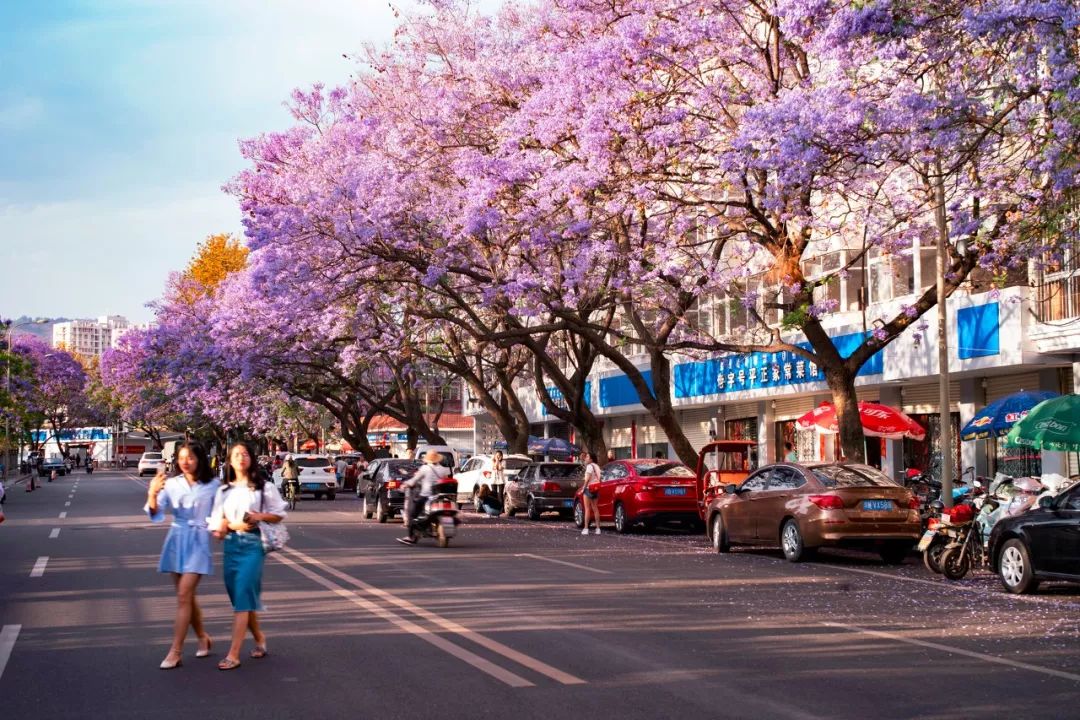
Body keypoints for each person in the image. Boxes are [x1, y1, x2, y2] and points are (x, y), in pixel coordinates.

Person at [209, 441, 287, 670]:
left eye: (245, 454)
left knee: (243, 595)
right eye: (236, 455)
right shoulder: (223, 491)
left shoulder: (264, 488)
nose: (241, 458)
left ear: (251, 458)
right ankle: (259, 638)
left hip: (254, 546)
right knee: (240, 598)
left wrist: (259, 516)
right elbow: (216, 524)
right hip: (232, 545)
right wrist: (225, 525)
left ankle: (233, 654)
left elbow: (278, 515)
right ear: (230, 461)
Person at [144, 441, 220, 669]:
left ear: (200, 460)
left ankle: (175, 651)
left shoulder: (214, 484)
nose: (185, 462)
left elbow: (221, 511)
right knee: (185, 596)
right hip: (176, 538)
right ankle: (203, 637)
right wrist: (152, 493)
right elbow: (155, 513)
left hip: (199, 540)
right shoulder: (172, 484)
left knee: (184, 594)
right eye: (181, 458)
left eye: (190, 458)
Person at [397, 450, 450, 545]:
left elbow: (414, 481)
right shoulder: (443, 469)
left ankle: (411, 537)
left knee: (413, 515)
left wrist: (405, 484)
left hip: (426, 496)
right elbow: (445, 480)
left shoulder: (425, 468)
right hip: (440, 497)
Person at [580, 452, 602, 535]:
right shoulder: (597, 466)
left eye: (588, 457)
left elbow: (587, 479)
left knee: (587, 509)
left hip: (589, 488)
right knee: (595, 508)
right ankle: (598, 528)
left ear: (591, 459)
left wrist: (583, 488)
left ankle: (586, 528)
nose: (586, 458)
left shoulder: (589, 467)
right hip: (596, 488)